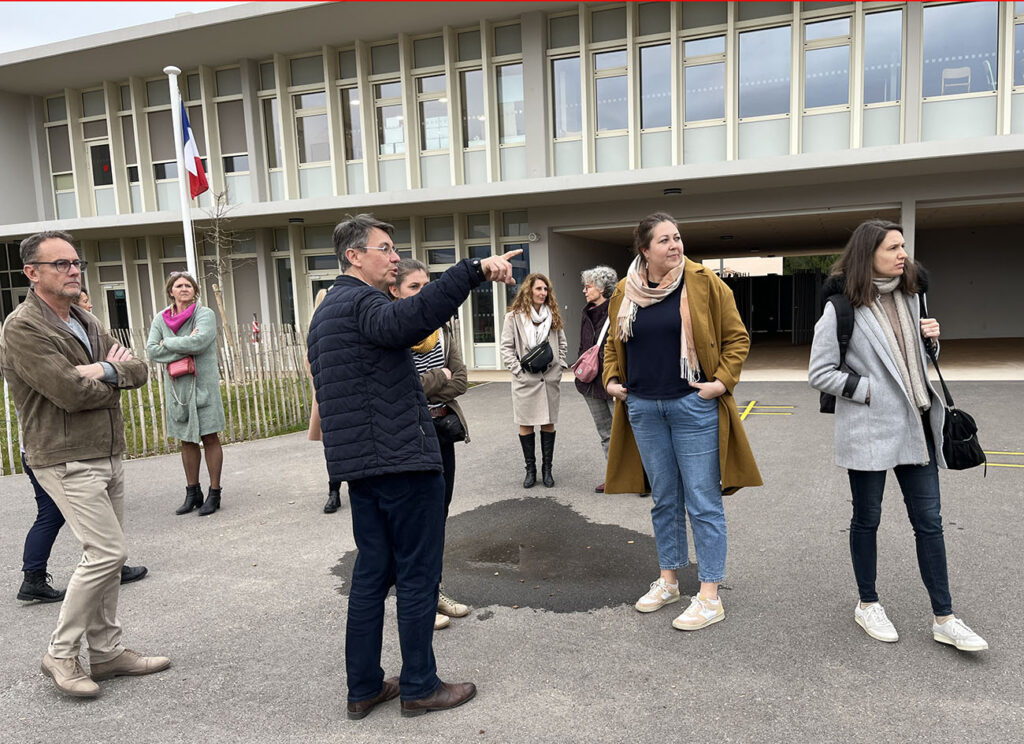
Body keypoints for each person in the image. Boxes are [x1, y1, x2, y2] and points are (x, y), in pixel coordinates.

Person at [307, 213, 519, 719]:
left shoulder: (326, 313)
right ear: (354, 255)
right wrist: (473, 271)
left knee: (371, 577)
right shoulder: (363, 302)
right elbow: (413, 317)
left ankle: (363, 688)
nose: (395, 256)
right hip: (402, 461)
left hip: (364, 469)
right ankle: (420, 686)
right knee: (418, 576)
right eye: (384, 248)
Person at [0, 230, 170, 698]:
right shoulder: (23, 328)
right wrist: (112, 376)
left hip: (107, 451)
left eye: (77, 263)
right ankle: (60, 652)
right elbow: (69, 393)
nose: (74, 270)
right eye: (61, 264)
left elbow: (139, 369)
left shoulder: (84, 319)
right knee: (107, 553)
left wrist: (103, 369)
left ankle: (107, 651)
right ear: (32, 273)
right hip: (64, 456)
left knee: (109, 558)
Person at [808, 219, 988, 652]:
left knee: (929, 523)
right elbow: (820, 372)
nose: (903, 254)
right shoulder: (842, 307)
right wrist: (869, 390)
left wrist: (933, 342)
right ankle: (868, 603)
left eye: (903, 246)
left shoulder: (913, 296)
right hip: (869, 427)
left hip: (916, 424)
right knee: (866, 519)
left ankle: (945, 617)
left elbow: (916, 362)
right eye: (893, 247)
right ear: (868, 254)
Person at [603, 212, 762, 632]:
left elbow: (737, 338)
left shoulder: (705, 282)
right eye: (664, 240)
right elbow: (613, 345)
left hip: (692, 406)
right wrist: (612, 379)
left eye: (677, 237)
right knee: (664, 499)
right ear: (644, 250)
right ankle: (669, 580)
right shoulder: (624, 290)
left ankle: (709, 595)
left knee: (703, 501)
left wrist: (720, 383)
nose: (674, 245)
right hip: (643, 408)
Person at [389, 259, 471, 632]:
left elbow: (462, 381)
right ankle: (417, 600)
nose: (423, 293)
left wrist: (430, 381)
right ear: (395, 292)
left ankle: (434, 590)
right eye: (414, 287)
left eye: (427, 286)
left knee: (438, 514)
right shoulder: (394, 331)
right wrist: (440, 376)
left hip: (442, 430)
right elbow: (404, 389)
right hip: (410, 433)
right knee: (414, 520)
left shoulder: (442, 327)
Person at [146, 271, 227, 516]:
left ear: (195, 291)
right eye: (179, 285)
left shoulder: (204, 314)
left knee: (210, 437)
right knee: (186, 440)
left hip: (203, 387)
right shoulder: (161, 318)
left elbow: (199, 342)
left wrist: (168, 343)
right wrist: (183, 343)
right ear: (171, 291)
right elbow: (152, 350)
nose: (184, 289)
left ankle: (214, 493)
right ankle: (193, 493)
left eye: (188, 285)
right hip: (177, 390)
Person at [500, 273, 568, 488]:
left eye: (545, 289)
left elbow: (562, 343)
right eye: (538, 288)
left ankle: (547, 470)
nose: (543, 293)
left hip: (548, 378)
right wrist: (518, 371)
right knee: (526, 423)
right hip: (525, 379)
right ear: (529, 290)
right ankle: (530, 470)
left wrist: (559, 367)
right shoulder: (513, 317)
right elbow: (506, 348)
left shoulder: (552, 315)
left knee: (548, 422)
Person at [575, 266, 618, 493]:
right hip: (590, 383)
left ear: (601, 288)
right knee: (605, 432)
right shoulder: (587, 313)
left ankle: (641, 478)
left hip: (612, 381)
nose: (584, 290)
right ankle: (613, 476)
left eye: (588, 286)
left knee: (626, 432)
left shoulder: (616, 310)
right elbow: (583, 345)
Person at [307, 287, 342, 515]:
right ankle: (334, 490)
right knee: (332, 444)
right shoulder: (317, 332)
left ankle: (339, 490)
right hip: (327, 392)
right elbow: (311, 363)